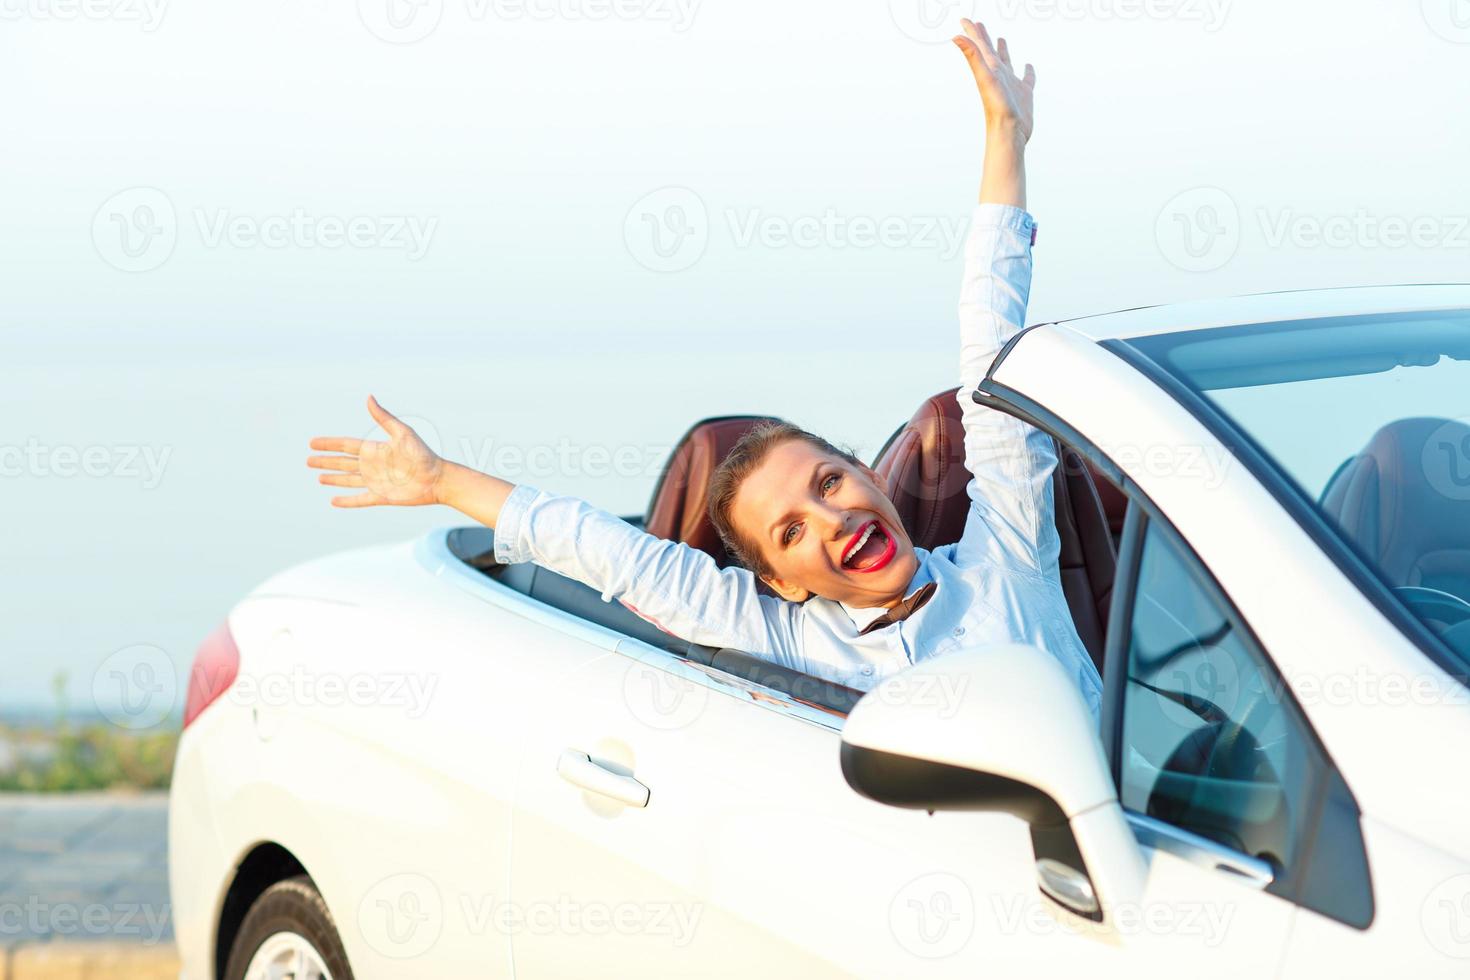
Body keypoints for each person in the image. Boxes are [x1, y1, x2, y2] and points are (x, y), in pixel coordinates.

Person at [306, 19, 1102, 720]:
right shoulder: (785, 634)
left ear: (865, 471)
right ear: (782, 581)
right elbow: (608, 553)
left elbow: (991, 343)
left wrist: (1004, 138)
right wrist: (441, 480)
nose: (830, 519)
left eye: (827, 484)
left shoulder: (1010, 552)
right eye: (790, 530)